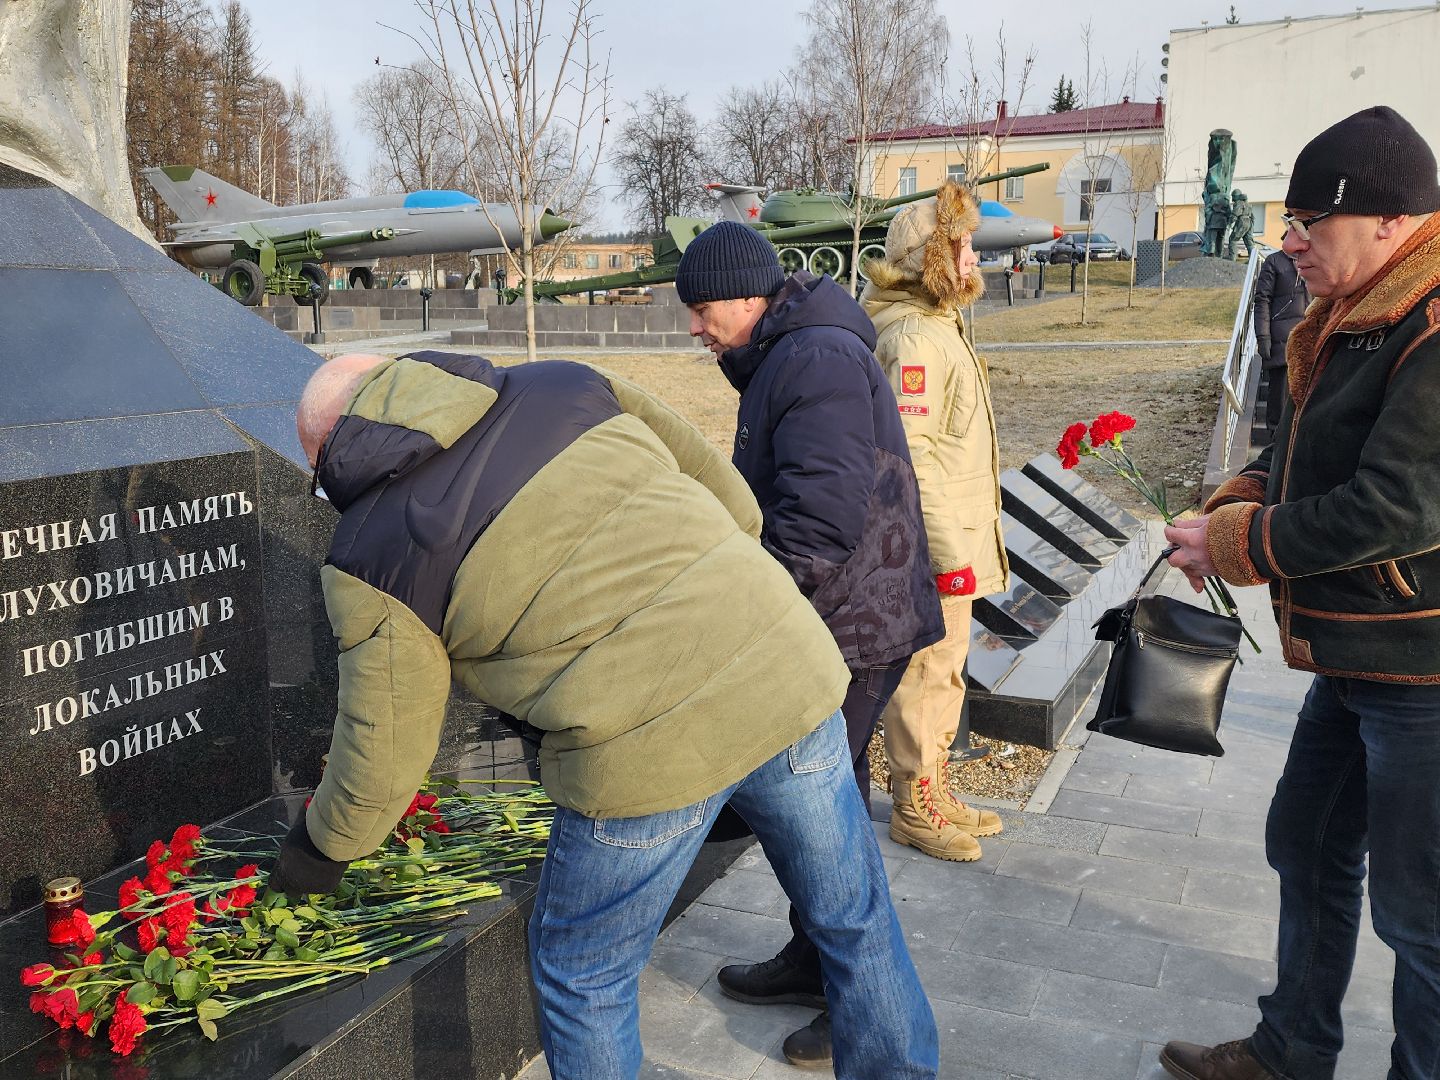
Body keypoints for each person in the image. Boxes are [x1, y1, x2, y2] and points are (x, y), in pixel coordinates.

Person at [272, 350, 940, 1080]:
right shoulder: (562, 383)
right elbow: (733, 501)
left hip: (643, 754)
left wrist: (322, 848)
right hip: (785, 667)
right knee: (853, 918)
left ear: (330, 452)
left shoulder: (370, 556)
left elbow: (385, 746)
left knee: (583, 975)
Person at [1159, 105, 1440, 1080]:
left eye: (1309, 225)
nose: (1290, 245)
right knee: (1307, 840)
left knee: (1423, 916)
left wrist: (1239, 541)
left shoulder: (1432, 324)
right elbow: (1314, 455)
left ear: (1388, 223)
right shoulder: (1364, 316)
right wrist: (1239, 494)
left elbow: (1388, 510)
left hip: (1421, 671)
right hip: (1359, 652)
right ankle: (1291, 1049)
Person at [674, 221, 945, 1068]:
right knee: (825, 807)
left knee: (826, 825)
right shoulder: (787, 352)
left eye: (701, 307)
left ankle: (851, 993)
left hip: (852, 621)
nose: (693, 326)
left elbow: (818, 525)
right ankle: (812, 958)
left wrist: (748, 618)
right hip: (845, 613)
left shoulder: (814, 359)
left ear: (749, 295)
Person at [860, 181, 1009, 863]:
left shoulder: (939, 326)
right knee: (924, 674)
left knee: (947, 670)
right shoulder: (917, 339)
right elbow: (910, 463)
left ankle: (936, 789)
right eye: (963, 244)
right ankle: (914, 809)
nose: (975, 255)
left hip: (952, 542)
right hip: (933, 547)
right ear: (931, 258)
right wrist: (948, 555)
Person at [1251, 247, 1309, 435]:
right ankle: (1275, 439)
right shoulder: (1274, 262)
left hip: (1307, 337)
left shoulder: (1314, 258)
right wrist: (1263, 337)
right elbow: (1262, 300)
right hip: (1280, 339)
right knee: (1279, 395)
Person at [1227, 189, 1256, 261]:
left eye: (1233, 196)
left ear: (1236, 196)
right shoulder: (1248, 204)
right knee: (1249, 243)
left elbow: (1235, 214)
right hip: (1249, 223)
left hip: (1241, 223)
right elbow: (1253, 217)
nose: (1232, 198)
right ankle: (1253, 260)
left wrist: (1229, 223)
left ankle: (1232, 259)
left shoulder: (1238, 203)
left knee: (1233, 240)